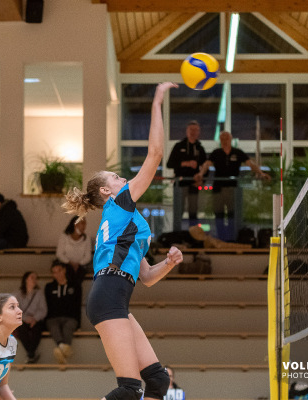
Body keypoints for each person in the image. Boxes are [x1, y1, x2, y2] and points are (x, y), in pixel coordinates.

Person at [62, 82, 184, 400]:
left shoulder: (127, 224)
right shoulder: (118, 205)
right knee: (129, 389)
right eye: (116, 178)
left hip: (116, 294)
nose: (124, 179)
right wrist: (157, 101)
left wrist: (169, 263)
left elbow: (147, 276)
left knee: (158, 381)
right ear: (107, 191)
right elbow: (155, 154)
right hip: (108, 294)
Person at [196, 131, 269, 241]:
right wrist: (201, 174)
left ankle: (232, 237)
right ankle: (221, 237)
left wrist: (261, 173)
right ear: (220, 140)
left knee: (232, 214)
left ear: (230, 139)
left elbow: (250, 164)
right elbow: (207, 164)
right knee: (219, 214)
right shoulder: (216, 153)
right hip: (218, 189)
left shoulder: (237, 152)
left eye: (227, 138)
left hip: (233, 189)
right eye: (222, 139)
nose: (224, 141)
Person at [166, 121, 207, 227]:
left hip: (193, 184)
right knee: (178, 210)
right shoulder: (179, 146)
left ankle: (192, 234)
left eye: (196, 130)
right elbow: (169, 164)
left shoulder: (200, 148)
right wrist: (186, 163)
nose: (193, 132)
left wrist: (202, 180)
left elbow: (206, 167)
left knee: (193, 211)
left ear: (199, 132)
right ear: (187, 131)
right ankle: (177, 233)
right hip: (180, 184)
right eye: (191, 130)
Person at [44, 261, 82, 364]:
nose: (58, 274)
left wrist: (79, 324)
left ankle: (60, 350)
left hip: (70, 317)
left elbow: (77, 305)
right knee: (54, 326)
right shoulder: (49, 287)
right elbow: (47, 306)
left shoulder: (75, 286)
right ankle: (63, 349)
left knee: (68, 327)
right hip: (53, 318)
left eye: (59, 270)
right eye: (54, 272)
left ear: (64, 270)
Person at [13, 271, 46, 364]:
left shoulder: (39, 294)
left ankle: (30, 354)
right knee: (21, 329)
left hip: (36, 319)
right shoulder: (18, 294)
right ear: (26, 279)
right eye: (32, 277)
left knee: (37, 329)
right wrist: (25, 318)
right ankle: (31, 354)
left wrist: (35, 319)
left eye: (36, 278)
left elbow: (43, 309)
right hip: (23, 319)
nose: (34, 280)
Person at [56, 216, 92, 283]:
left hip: (81, 266)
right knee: (68, 272)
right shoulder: (64, 236)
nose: (84, 226)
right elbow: (59, 254)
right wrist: (69, 262)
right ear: (75, 224)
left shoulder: (87, 238)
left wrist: (78, 264)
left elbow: (88, 257)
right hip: (66, 264)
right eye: (82, 223)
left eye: (85, 223)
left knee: (79, 274)